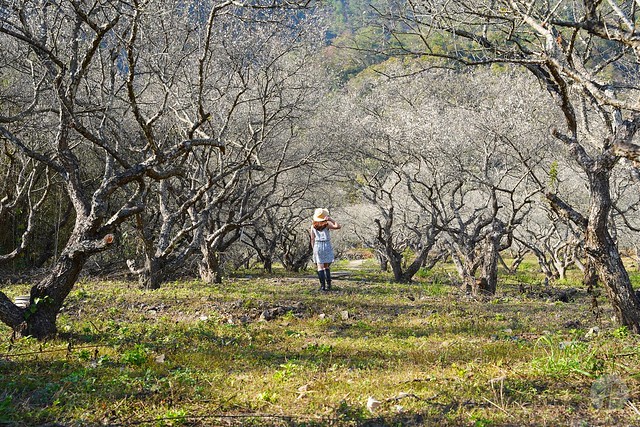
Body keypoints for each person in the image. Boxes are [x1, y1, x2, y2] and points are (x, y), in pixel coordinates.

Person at [310, 208, 341, 291]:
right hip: (327, 244)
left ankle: (322, 286)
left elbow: (312, 238)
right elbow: (338, 226)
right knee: (326, 266)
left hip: (317, 245)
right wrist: (330, 219)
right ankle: (329, 285)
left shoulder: (313, 226)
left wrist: (313, 248)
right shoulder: (327, 224)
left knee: (320, 266)